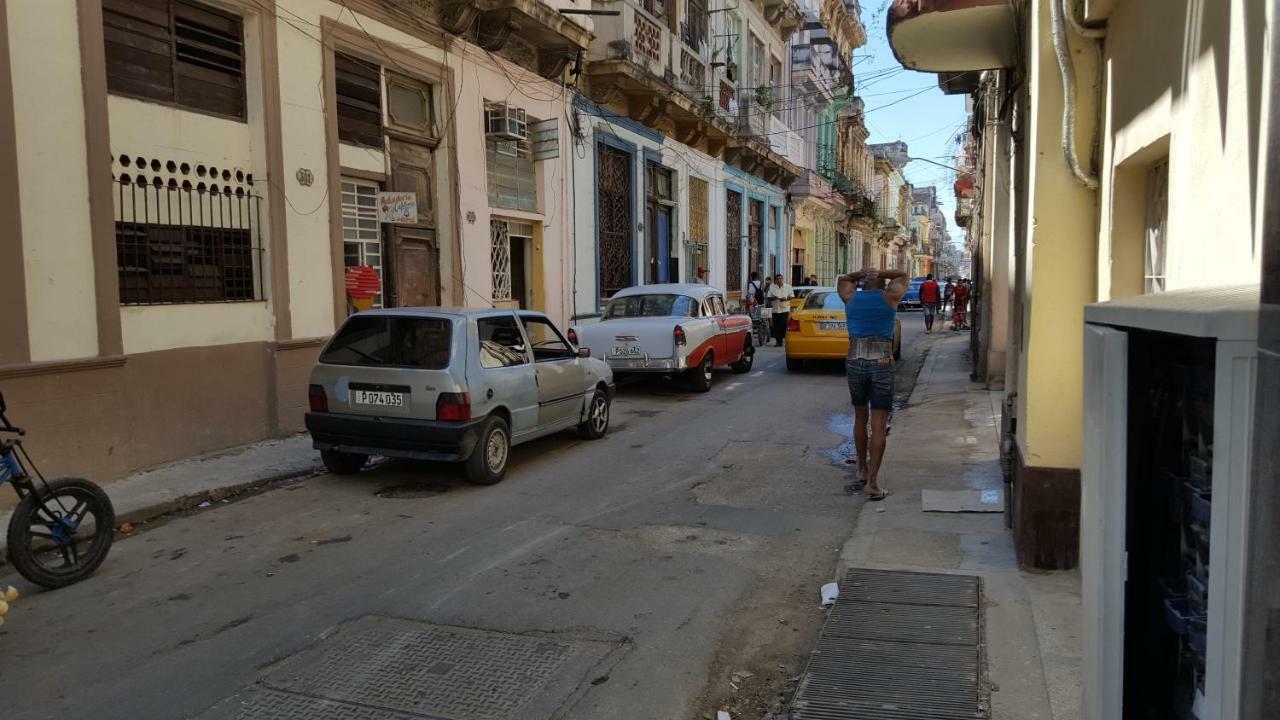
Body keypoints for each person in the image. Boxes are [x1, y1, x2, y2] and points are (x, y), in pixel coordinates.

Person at [837, 267, 909, 501]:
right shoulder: (890, 297)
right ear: (883, 284)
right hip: (881, 362)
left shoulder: (851, 297)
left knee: (860, 417)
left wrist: (859, 273)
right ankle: (873, 482)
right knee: (879, 425)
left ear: (861, 284)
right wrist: (882, 272)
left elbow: (843, 279)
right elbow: (903, 276)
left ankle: (861, 469)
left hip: (855, 361)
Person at [767, 273, 792, 346]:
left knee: (783, 325)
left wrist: (786, 298)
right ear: (775, 280)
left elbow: (792, 296)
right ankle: (779, 342)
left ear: (783, 279)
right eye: (778, 279)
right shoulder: (772, 288)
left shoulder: (788, 287)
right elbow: (768, 297)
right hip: (775, 310)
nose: (780, 280)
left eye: (781, 278)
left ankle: (783, 339)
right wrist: (775, 298)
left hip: (785, 309)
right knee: (776, 326)